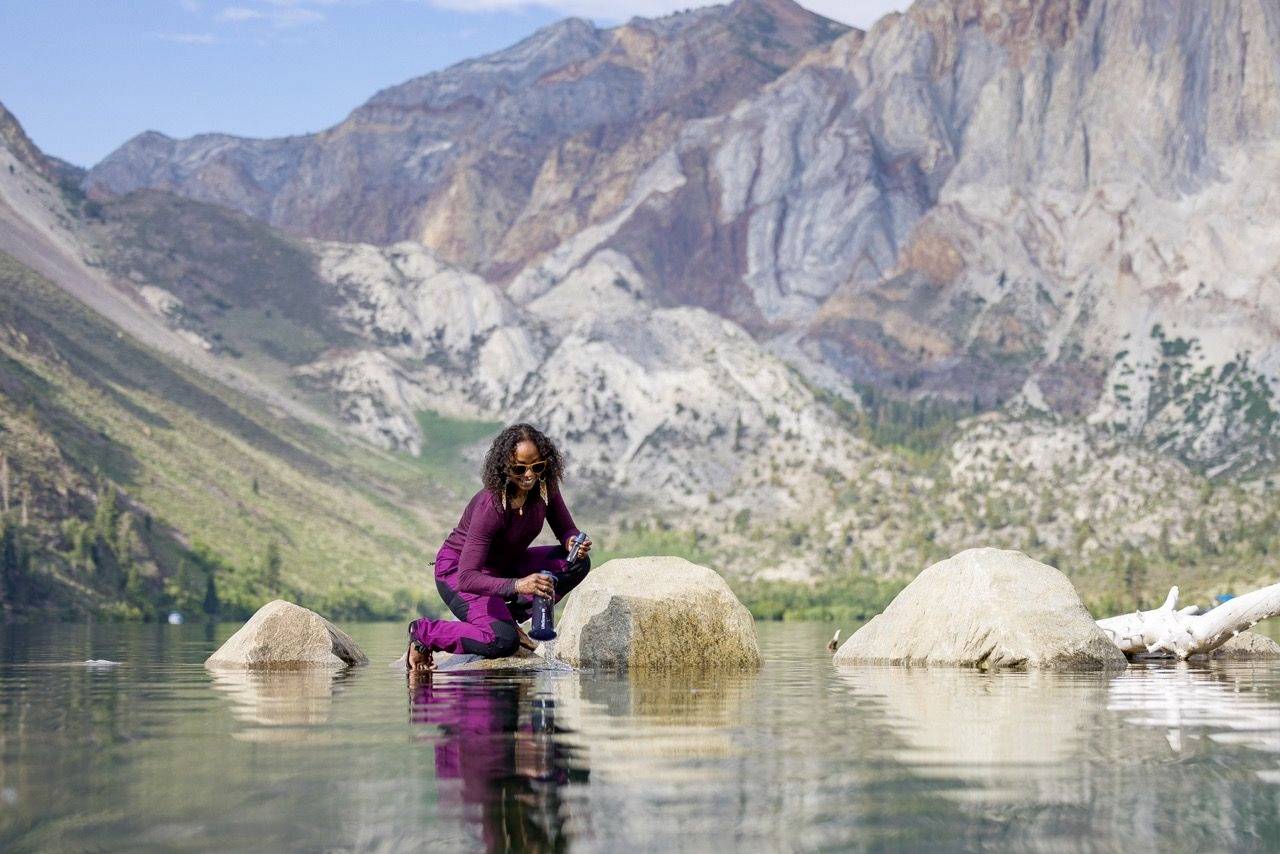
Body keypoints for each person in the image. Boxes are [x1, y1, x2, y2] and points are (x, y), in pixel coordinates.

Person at [407, 423, 593, 670]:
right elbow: (467, 578)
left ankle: (508, 618)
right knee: (502, 641)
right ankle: (424, 633)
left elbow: (566, 530)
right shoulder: (491, 506)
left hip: (505, 565)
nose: (529, 475)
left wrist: (572, 541)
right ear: (505, 466)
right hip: (460, 572)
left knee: (576, 563)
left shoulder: (545, 487)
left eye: (537, 467)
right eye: (520, 468)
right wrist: (518, 585)